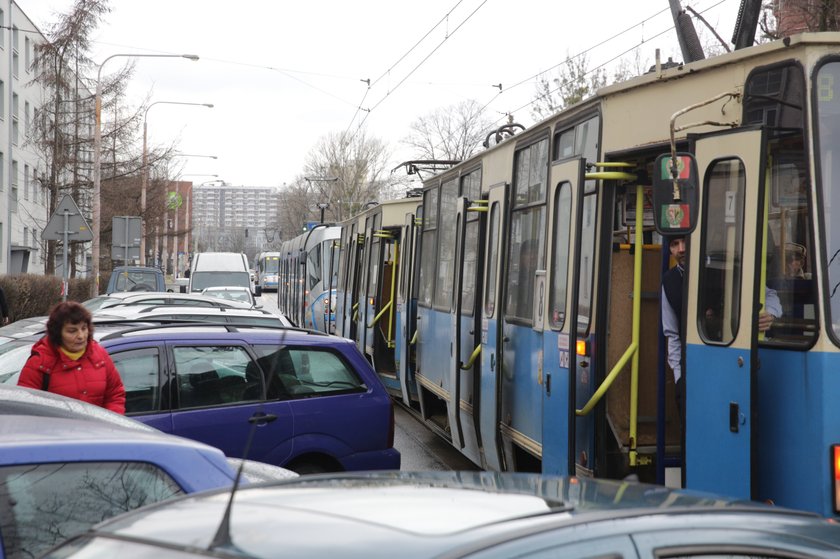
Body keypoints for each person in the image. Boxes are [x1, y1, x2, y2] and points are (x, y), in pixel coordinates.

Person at [661, 235, 781, 428]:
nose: (681, 249)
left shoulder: (723, 270)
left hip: (729, 365)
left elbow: (770, 295)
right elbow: (672, 334)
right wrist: (679, 377)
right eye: (674, 244)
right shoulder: (669, 281)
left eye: (684, 241)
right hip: (691, 371)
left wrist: (771, 314)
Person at [18, 301, 126, 414]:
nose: (81, 336)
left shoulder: (100, 355)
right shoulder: (40, 362)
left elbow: (115, 395)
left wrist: (109, 425)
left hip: (98, 430)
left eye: (84, 328)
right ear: (58, 333)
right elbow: (25, 406)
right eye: (72, 331)